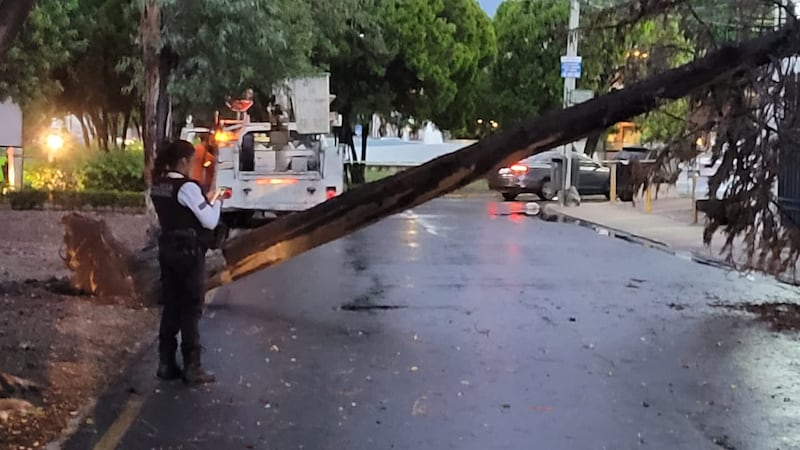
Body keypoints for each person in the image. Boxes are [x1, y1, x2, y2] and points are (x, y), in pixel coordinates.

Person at [150, 140, 221, 385]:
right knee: (191, 307)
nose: (194, 166)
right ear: (183, 162)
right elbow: (210, 221)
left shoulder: (158, 185)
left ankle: (166, 363)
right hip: (188, 254)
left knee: (171, 306)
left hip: (167, 250)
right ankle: (193, 367)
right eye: (193, 161)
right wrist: (218, 200)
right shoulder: (186, 188)